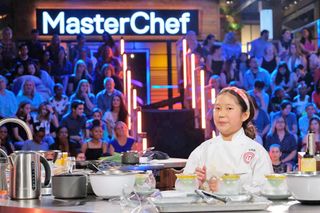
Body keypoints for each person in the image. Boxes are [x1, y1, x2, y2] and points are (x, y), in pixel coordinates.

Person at [184, 87, 273, 193]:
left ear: (244, 115)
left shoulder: (257, 152)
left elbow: (265, 191)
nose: (221, 114)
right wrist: (195, 183)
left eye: (229, 108)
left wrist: (227, 189)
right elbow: (182, 188)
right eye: (217, 108)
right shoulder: (203, 150)